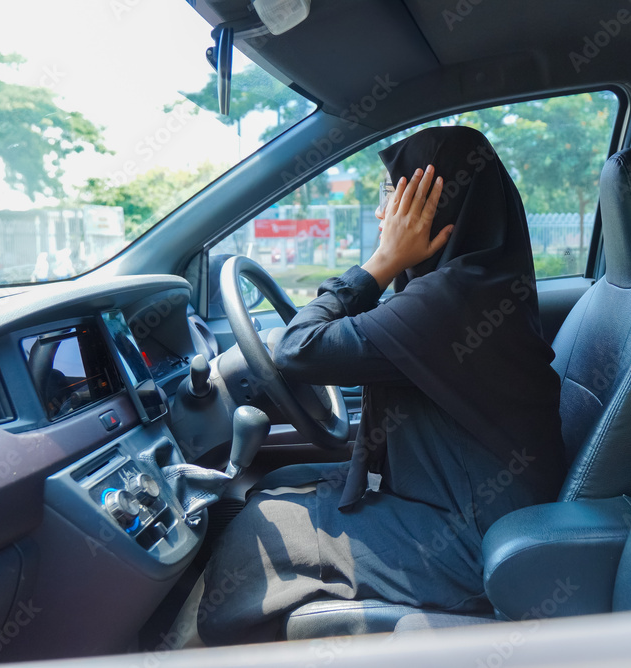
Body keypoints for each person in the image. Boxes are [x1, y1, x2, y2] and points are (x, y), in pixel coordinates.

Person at [198, 126, 566, 645]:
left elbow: (298, 349)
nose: (380, 214)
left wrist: (382, 262)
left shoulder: (450, 303)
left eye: (393, 195)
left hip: (475, 541)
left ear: (435, 203)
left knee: (261, 534)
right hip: (467, 505)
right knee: (276, 488)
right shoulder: (476, 282)